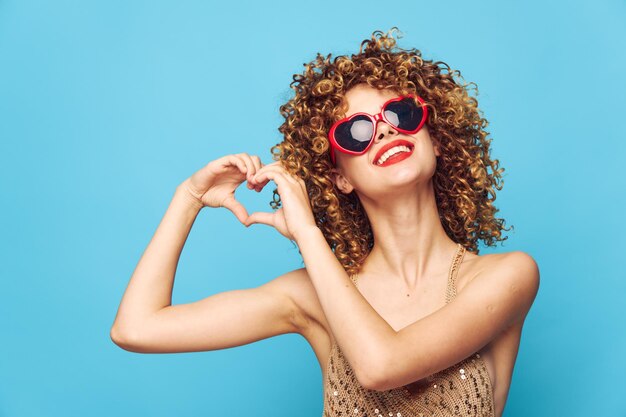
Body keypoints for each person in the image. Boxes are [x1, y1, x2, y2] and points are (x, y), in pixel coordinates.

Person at [110, 28, 539, 417]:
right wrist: (189, 197)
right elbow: (135, 328)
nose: (386, 133)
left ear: (438, 140)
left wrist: (308, 233)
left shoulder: (507, 277)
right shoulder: (312, 295)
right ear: (340, 178)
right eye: (355, 132)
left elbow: (381, 365)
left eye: (400, 115)